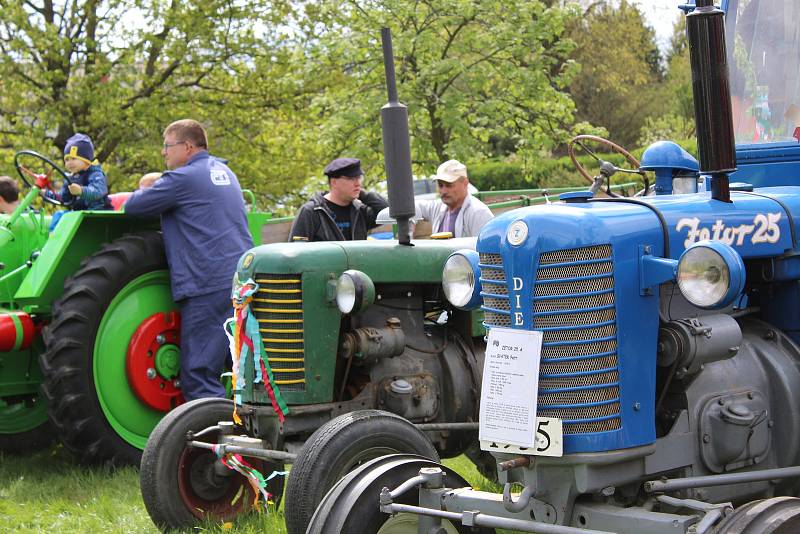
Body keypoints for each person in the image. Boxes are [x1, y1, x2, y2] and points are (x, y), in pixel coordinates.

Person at [124, 119, 253, 401]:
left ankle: (213, 442)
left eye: (167, 146)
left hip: (207, 282)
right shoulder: (225, 172)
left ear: (188, 146)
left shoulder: (183, 178)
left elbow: (133, 207)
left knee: (199, 374)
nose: (163, 153)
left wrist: (145, 187)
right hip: (241, 277)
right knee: (238, 368)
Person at [288, 157, 388, 242]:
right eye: (351, 179)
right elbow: (296, 250)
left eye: (359, 178)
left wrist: (362, 194)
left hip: (356, 265)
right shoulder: (312, 211)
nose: (357, 183)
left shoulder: (359, 211)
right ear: (334, 182)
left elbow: (386, 211)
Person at [414, 159, 493, 238]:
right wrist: (410, 221)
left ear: (465, 183)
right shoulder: (437, 207)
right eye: (440, 185)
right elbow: (413, 206)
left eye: (449, 185)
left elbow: (485, 247)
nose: (443, 191)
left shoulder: (479, 213)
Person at [45, 133, 110, 210]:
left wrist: (81, 191)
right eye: (67, 160)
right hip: (79, 214)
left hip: (97, 214)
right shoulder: (70, 178)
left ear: (86, 161)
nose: (70, 162)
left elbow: (97, 191)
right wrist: (44, 193)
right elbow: (64, 198)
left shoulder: (96, 174)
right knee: (58, 215)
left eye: (73, 159)